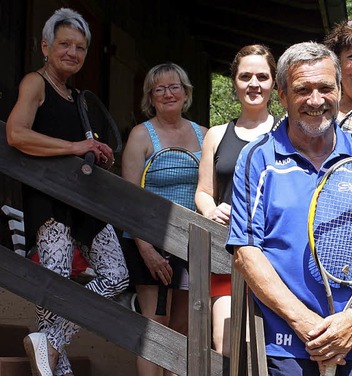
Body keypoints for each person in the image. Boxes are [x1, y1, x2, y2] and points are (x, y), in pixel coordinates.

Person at [226, 41, 352, 375]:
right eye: (303, 90)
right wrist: (305, 325)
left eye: (325, 88)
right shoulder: (257, 158)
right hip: (288, 346)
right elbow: (246, 252)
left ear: (339, 89)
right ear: (283, 96)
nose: (315, 100)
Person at [5, 8, 129, 376]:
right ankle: (56, 360)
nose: (72, 53)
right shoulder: (35, 83)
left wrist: (93, 151)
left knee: (117, 275)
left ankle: (51, 343)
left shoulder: (78, 98)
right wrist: (74, 147)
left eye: (80, 47)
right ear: (45, 46)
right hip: (50, 201)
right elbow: (16, 134)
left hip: (85, 201)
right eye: (64, 44)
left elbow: (77, 146)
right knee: (54, 284)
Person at [121, 62, 207, 376]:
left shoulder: (205, 135)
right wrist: (147, 249)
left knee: (182, 326)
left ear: (186, 94)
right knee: (155, 326)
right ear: (150, 97)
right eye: (160, 89)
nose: (168, 94)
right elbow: (129, 199)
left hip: (189, 243)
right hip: (148, 240)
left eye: (175, 87)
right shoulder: (140, 135)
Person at [194, 44, 277, 356]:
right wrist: (211, 209)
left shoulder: (286, 133)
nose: (253, 83)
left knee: (269, 348)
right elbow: (203, 192)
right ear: (234, 82)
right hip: (227, 256)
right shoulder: (216, 135)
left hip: (276, 256)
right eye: (245, 76)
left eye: (262, 76)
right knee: (227, 345)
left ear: (273, 83)